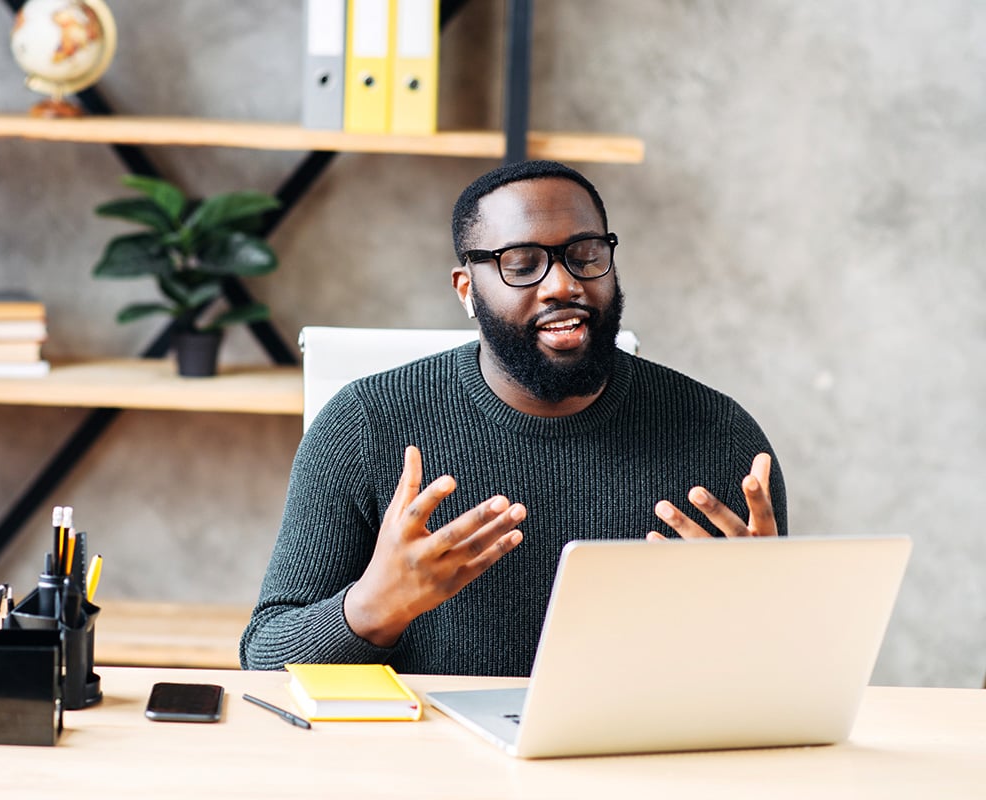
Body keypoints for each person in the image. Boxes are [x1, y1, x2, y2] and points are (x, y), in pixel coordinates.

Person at [240, 159, 786, 677]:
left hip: (634, 762)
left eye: (586, 254)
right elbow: (265, 655)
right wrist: (371, 609)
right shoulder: (365, 427)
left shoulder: (720, 437)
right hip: (432, 765)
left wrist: (763, 615)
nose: (562, 285)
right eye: (522, 265)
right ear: (467, 290)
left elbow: (776, 674)